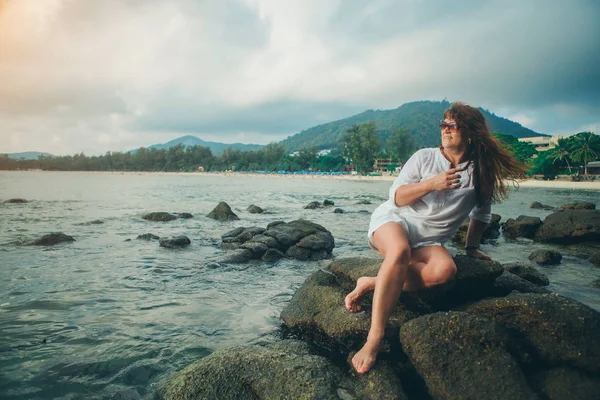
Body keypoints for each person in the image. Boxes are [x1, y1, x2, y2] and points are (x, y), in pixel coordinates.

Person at [346, 102, 528, 374]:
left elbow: (481, 213)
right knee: (399, 253)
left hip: (429, 241)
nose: (445, 129)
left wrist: (472, 247)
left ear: (470, 133)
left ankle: (373, 281)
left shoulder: (480, 171)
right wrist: (432, 183)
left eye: (452, 125)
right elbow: (396, 197)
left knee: (445, 271)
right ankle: (374, 338)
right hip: (395, 221)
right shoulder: (424, 157)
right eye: (443, 124)